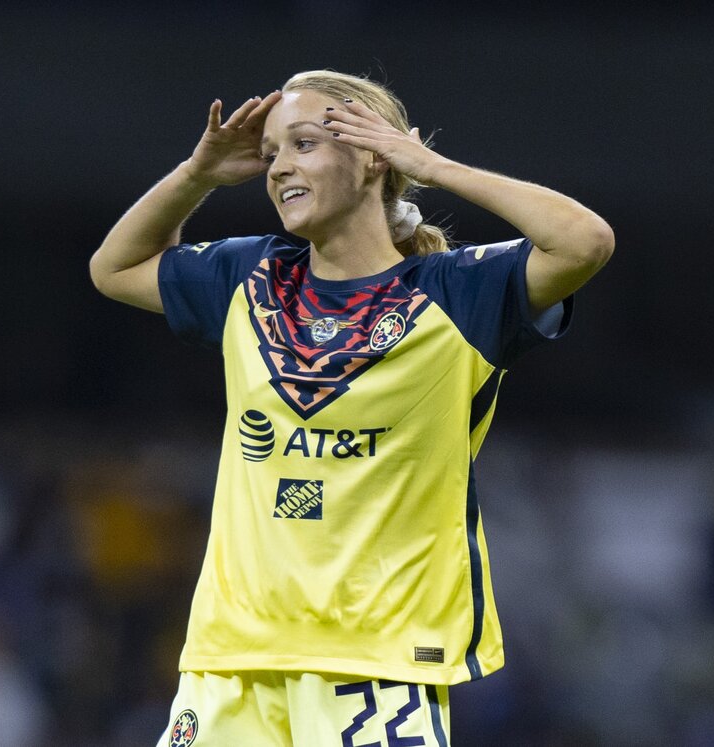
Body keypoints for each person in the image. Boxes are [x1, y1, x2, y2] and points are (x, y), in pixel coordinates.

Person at [90, 69, 613, 746]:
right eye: (273, 152)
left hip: (378, 668)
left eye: (304, 143)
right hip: (231, 663)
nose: (280, 168)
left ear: (373, 156)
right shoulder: (252, 278)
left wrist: (431, 165)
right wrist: (197, 174)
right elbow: (114, 268)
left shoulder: (461, 293)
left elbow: (586, 241)